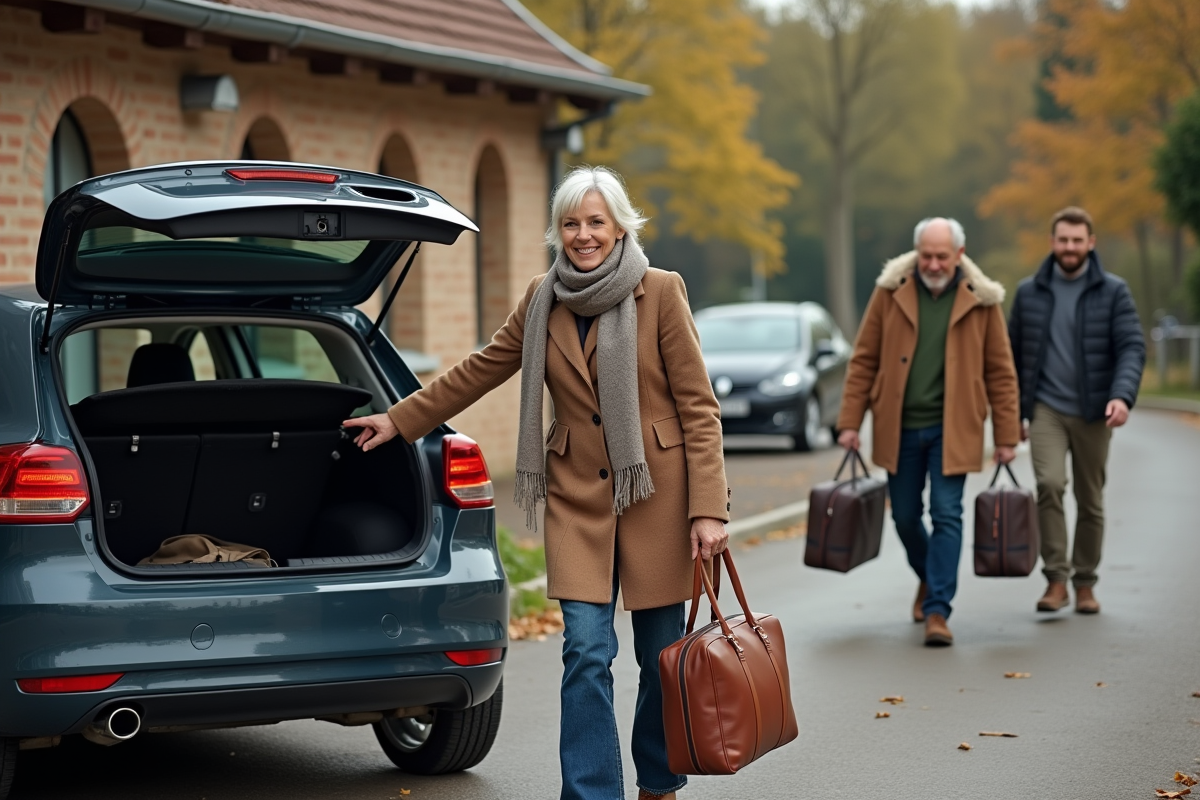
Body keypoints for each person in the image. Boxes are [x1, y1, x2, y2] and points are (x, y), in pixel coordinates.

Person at [343, 166, 730, 800]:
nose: (583, 235)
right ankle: (591, 792)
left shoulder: (660, 292)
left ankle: (659, 777)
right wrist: (400, 418)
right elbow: (481, 368)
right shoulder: (541, 297)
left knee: (662, 663)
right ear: (558, 231)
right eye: (571, 223)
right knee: (584, 651)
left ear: (620, 227)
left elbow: (699, 408)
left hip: (659, 497)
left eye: (595, 222)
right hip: (577, 498)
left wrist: (708, 509)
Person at [836, 218, 1021, 647]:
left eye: (942, 256)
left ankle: (938, 610)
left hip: (953, 427)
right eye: (926, 255)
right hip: (899, 425)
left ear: (959, 255)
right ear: (917, 252)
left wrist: (1007, 435)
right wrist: (849, 422)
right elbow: (863, 359)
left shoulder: (982, 300)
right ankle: (930, 574)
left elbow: (1001, 372)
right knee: (903, 515)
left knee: (946, 511)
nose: (933, 264)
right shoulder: (890, 291)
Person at [1007, 206, 1145, 615]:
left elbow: (1132, 348)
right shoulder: (1029, 292)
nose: (1070, 247)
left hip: (1094, 410)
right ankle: (1056, 580)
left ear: (1091, 243)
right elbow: (1011, 357)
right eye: (1063, 240)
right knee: (1049, 485)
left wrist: (1122, 396)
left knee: (1090, 498)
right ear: (1052, 243)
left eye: (1077, 240)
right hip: (1046, 407)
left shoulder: (1113, 291)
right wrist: (1013, 413)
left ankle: (1085, 582)